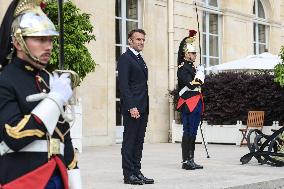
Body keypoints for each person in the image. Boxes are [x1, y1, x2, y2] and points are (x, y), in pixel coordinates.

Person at [0, 0, 81, 188]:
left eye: (51, 39)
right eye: (40, 39)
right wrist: (54, 99)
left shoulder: (47, 79)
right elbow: (14, 135)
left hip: (57, 175)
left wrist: (75, 180)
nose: (49, 46)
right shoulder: (5, 80)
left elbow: (63, 136)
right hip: (24, 178)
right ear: (18, 42)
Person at [117, 29, 154, 185]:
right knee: (130, 141)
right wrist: (131, 106)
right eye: (138, 39)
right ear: (130, 41)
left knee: (139, 142)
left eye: (143, 40)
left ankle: (137, 171)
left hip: (143, 106)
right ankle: (128, 174)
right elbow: (124, 86)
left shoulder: (140, 59)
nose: (141, 42)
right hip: (133, 107)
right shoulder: (125, 58)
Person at [176, 30, 205, 170]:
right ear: (187, 54)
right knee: (188, 132)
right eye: (193, 53)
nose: (195, 55)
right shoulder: (183, 68)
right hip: (189, 103)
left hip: (195, 102)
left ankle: (191, 159)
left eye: (195, 53)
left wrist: (198, 72)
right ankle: (186, 161)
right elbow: (191, 84)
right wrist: (200, 74)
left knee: (192, 132)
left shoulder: (191, 67)